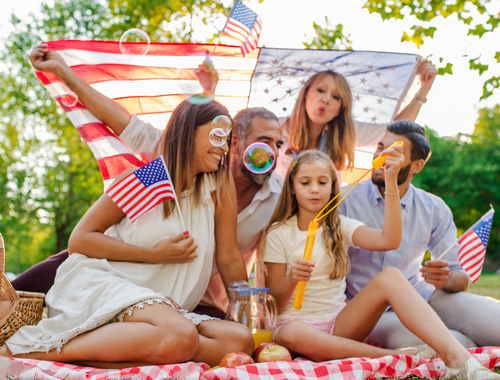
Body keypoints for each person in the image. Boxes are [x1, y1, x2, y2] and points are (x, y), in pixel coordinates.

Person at [0, 45, 254, 367]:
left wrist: (245, 302)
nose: (224, 146)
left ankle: (123, 347)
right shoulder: (151, 177)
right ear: (188, 132)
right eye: (218, 135)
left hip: (164, 309)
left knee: (239, 340)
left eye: (227, 138)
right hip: (105, 286)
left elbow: (230, 255)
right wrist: (156, 255)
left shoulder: (219, 185)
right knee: (182, 337)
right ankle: (31, 350)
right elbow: (79, 241)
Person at [260, 149, 499, 380]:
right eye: (305, 183)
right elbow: (274, 305)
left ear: (333, 187)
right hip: (295, 328)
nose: (314, 189)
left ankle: (459, 360)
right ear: (291, 187)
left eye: (323, 182)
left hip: (339, 324)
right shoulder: (278, 234)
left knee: (391, 276)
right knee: (291, 333)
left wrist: (391, 182)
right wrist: (292, 279)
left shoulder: (340, 225)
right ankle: (392, 356)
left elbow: (390, 240)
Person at [337, 120, 500, 349]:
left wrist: (446, 279)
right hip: (371, 312)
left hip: (423, 295)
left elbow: (461, 278)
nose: (382, 156)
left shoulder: (434, 208)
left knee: (494, 324)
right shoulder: (345, 201)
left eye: (394, 153)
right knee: (459, 343)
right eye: (380, 147)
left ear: (417, 166)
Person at [275, 60, 437, 179]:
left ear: (340, 109)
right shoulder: (276, 128)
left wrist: (424, 89)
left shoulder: (345, 132)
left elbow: (396, 130)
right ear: (306, 94)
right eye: (321, 90)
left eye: (336, 96)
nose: (326, 99)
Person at [198, 107, 284, 316]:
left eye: (278, 144)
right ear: (235, 143)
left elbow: (272, 259)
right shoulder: (200, 176)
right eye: (265, 142)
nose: (274, 151)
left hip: (217, 306)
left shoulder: (280, 196)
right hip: (170, 294)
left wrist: (256, 314)